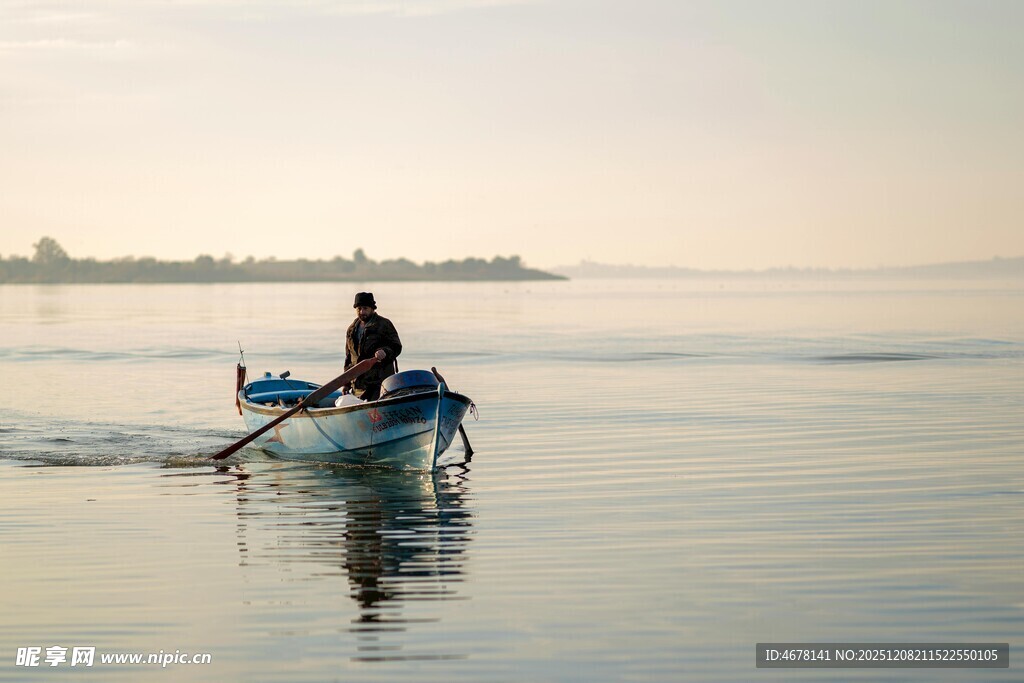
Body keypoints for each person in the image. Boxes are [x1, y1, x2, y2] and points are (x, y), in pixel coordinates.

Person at [342, 292, 402, 401]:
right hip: (359, 386)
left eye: (365, 308)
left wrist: (385, 352)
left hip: (380, 384)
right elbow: (348, 358)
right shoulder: (352, 329)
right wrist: (346, 383)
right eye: (359, 309)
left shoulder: (384, 324)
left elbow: (396, 346)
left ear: (372, 308)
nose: (362, 312)